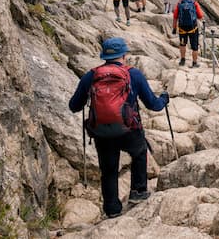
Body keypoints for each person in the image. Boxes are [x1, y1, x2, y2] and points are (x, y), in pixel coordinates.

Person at [68, 37, 169, 218]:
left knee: (108, 169)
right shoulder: (133, 74)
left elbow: (74, 106)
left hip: (101, 132)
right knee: (139, 153)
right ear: (123, 55)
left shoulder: (91, 76)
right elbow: (153, 104)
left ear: (104, 56)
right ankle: (138, 192)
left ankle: (112, 209)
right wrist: (164, 99)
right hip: (129, 129)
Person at [172, 0, 205, 67]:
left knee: (183, 44)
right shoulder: (194, 3)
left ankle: (182, 60)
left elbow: (175, 17)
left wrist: (174, 28)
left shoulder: (179, 4)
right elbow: (200, 16)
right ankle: (194, 63)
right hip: (193, 28)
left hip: (182, 29)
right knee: (194, 46)